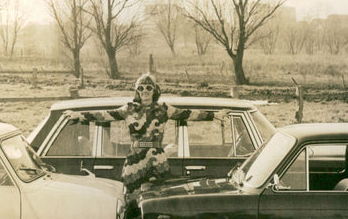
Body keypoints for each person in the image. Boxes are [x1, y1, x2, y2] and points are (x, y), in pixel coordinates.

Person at [64, 73, 228, 199]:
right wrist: (78, 115)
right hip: (134, 160)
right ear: (137, 91)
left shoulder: (164, 109)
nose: (145, 92)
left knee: (158, 199)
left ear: (154, 90)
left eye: (148, 88)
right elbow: (103, 115)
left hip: (157, 159)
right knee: (131, 198)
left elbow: (188, 114)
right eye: (141, 88)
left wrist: (214, 115)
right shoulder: (128, 109)